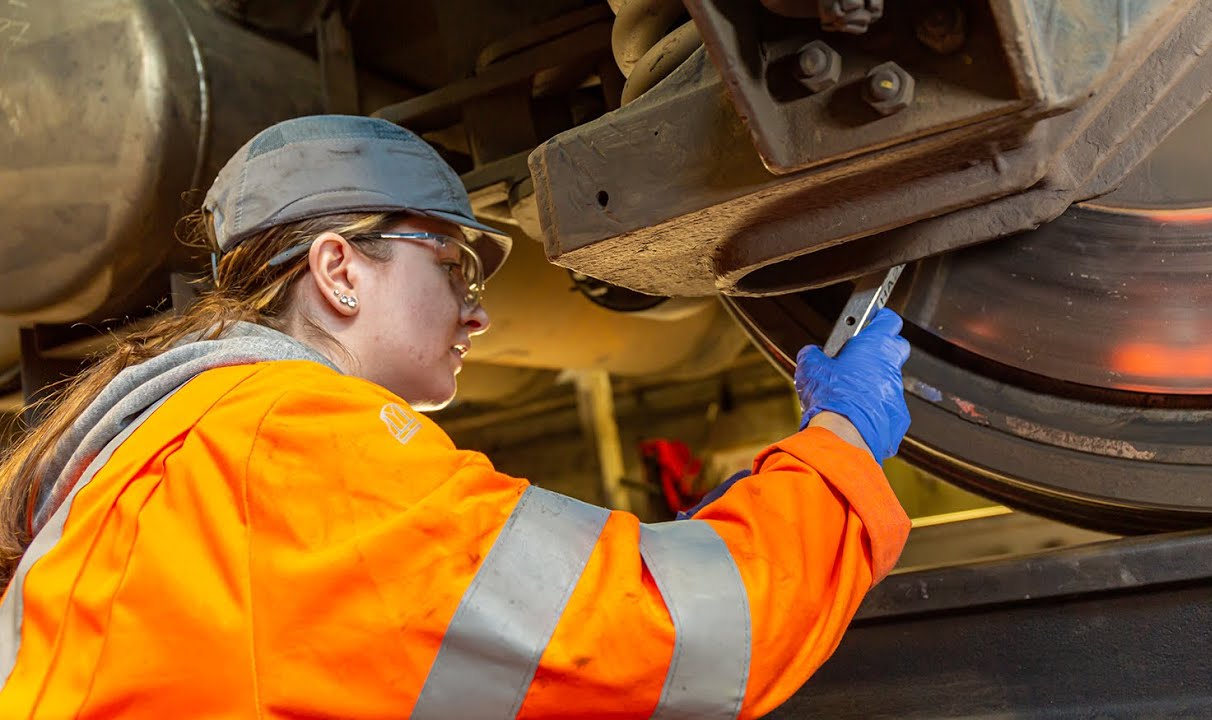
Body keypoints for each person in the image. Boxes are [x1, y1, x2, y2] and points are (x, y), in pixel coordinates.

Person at [0, 115, 912, 719]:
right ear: (339, 271)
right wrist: (839, 444)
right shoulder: (297, 442)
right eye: (453, 270)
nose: (477, 316)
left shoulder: (131, 468)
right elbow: (672, 636)